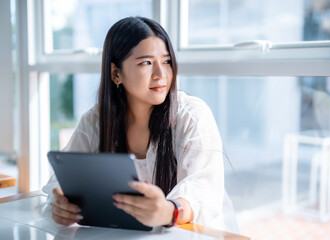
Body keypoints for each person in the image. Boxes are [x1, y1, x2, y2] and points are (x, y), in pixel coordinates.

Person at [42, 16, 238, 232]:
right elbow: (61, 181)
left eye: (166, 61)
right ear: (116, 73)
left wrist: (169, 210)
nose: (161, 74)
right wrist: (60, 206)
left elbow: (203, 189)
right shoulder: (96, 120)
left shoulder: (192, 115)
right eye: (146, 63)